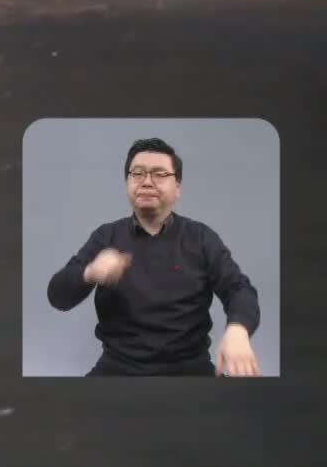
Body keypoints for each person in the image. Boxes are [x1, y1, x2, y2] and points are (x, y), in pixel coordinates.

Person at [46, 137, 262, 376]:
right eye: (137, 173)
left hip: (190, 368)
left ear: (177, 186)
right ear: (127, 182)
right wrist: (90, 273)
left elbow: (239, 289)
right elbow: (57, 296)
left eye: (159, 174)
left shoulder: (201, 237)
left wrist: (238, 329)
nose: (147, 181)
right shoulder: (106, 236)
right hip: (118, 368)